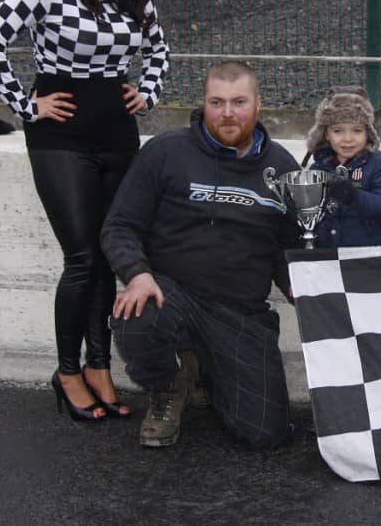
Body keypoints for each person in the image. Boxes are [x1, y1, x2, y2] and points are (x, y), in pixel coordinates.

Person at [0, 0, 169, 422]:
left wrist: (146, 91)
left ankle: (100, 366)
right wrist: (25, 105)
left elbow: (160, 50)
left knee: (107, 253)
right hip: (60, 135)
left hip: (117, 131)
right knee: (81, 257)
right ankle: (66, 371)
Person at [101, 61, 300, 449]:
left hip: (241, 312)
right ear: (204, 104)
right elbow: (119, 226)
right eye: (217, 102)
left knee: (265, 434)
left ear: (258, 104)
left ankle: (204, 368)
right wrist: (137, 274)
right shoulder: (165, 152)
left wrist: (300, 285)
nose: (228, 113)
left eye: (239, 102)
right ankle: (166, 387)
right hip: (172, 296)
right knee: (135, 313)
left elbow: (286, 247)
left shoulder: (282, 167)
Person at [303, 87, 381, 248]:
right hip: (330, 259)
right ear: (326, 134)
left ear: (368, 133)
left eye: (357, 131)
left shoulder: (380, 165)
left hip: (373, 260)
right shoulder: (318, 168)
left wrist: (354, 197)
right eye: (338, 131)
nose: (347, 139)